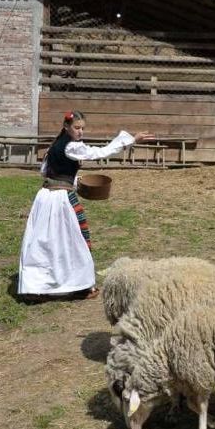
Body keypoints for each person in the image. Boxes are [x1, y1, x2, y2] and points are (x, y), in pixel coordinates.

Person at [18, 110, 153, 300]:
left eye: (82, 128)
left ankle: (39, 286)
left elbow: (45, 172)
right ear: (66, 127)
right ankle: (78, 286)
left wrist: (72, 180)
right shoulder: (71, 146)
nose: (80, 131)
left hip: (46, 196)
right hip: (59, 200)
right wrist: (130, 140)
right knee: (75, 239)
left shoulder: (57, 143)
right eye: (76, 128)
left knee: (46, 241)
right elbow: (98, 153)